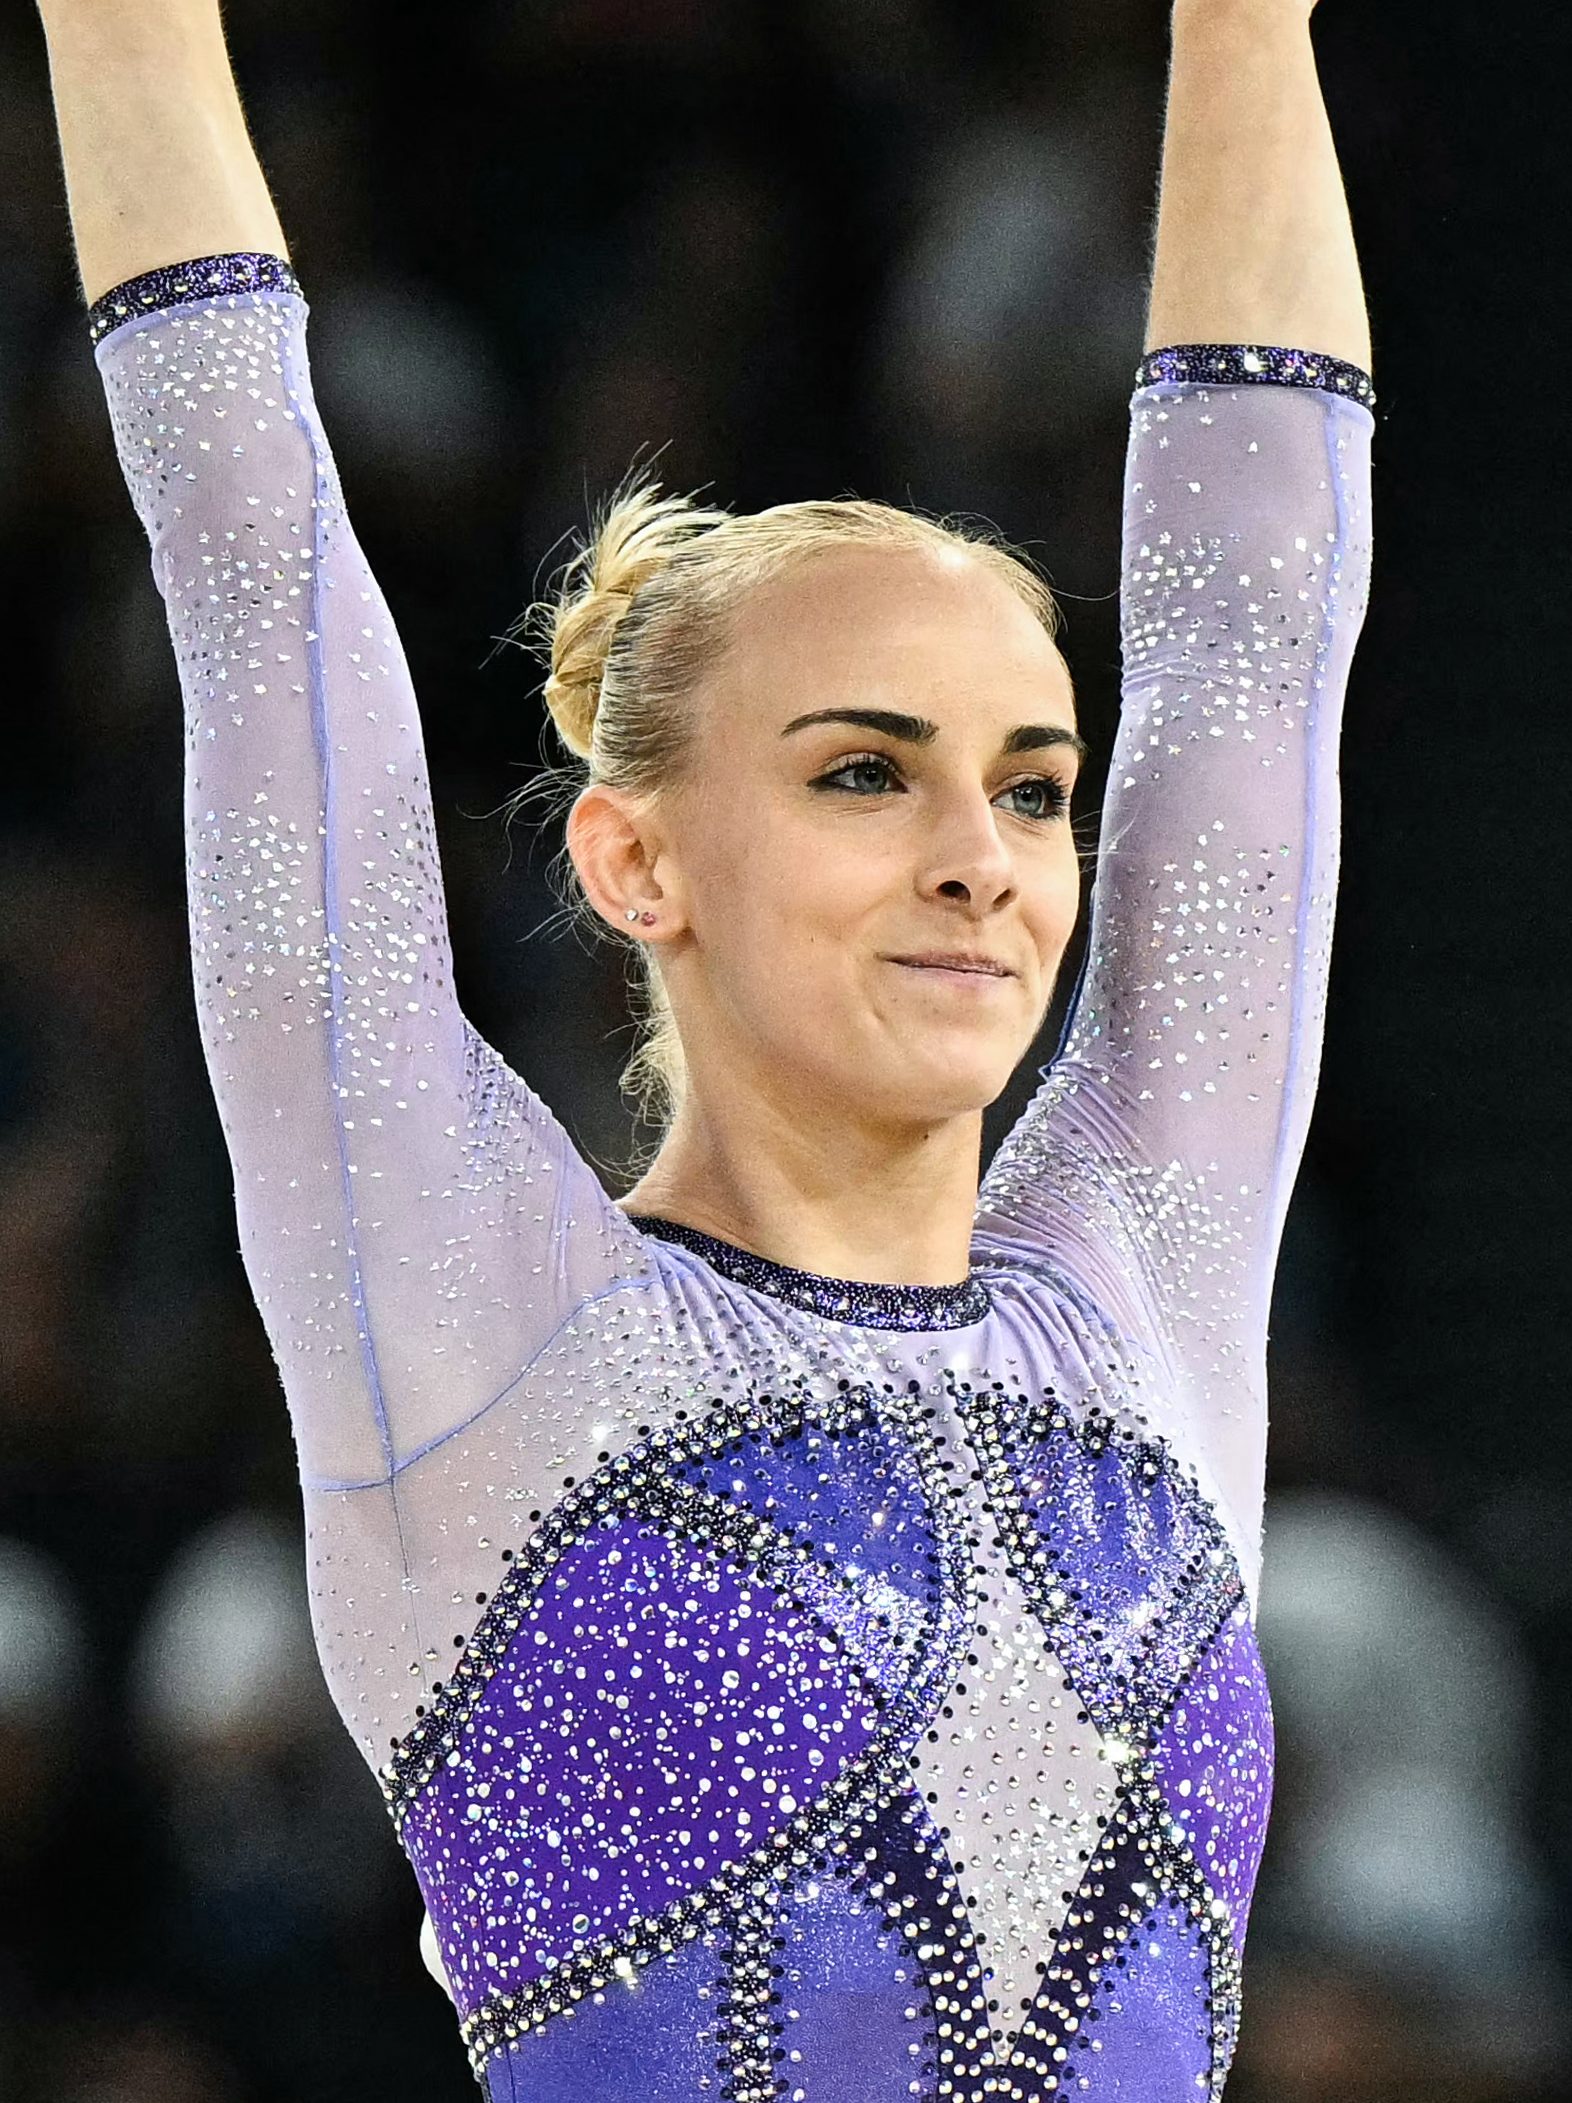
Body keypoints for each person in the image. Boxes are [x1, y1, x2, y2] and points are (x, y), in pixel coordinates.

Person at [38, 0, 1374, 2094]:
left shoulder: (1147, 1297)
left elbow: (1251, 625)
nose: (981, 859)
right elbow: (247, 555)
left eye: (1034, 788)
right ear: (635, 856)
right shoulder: (486, 1328)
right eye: (866, 774)